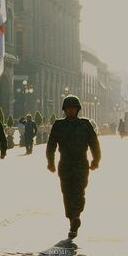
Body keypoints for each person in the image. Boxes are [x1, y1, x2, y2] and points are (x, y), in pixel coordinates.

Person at [46, 95, 101, 239]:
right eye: (68, 109)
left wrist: (96, 160)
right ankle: (72, 220)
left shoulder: (85, 125)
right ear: (64, 110)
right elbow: (51, 145)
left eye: (73, 109)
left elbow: (94, 144)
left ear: (77, 110)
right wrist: (50, 162)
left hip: (81, 163)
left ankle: (75, 217)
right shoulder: (58, 125)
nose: (71, 111)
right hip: (64, 163)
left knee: (79, 191)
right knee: (67, 193)